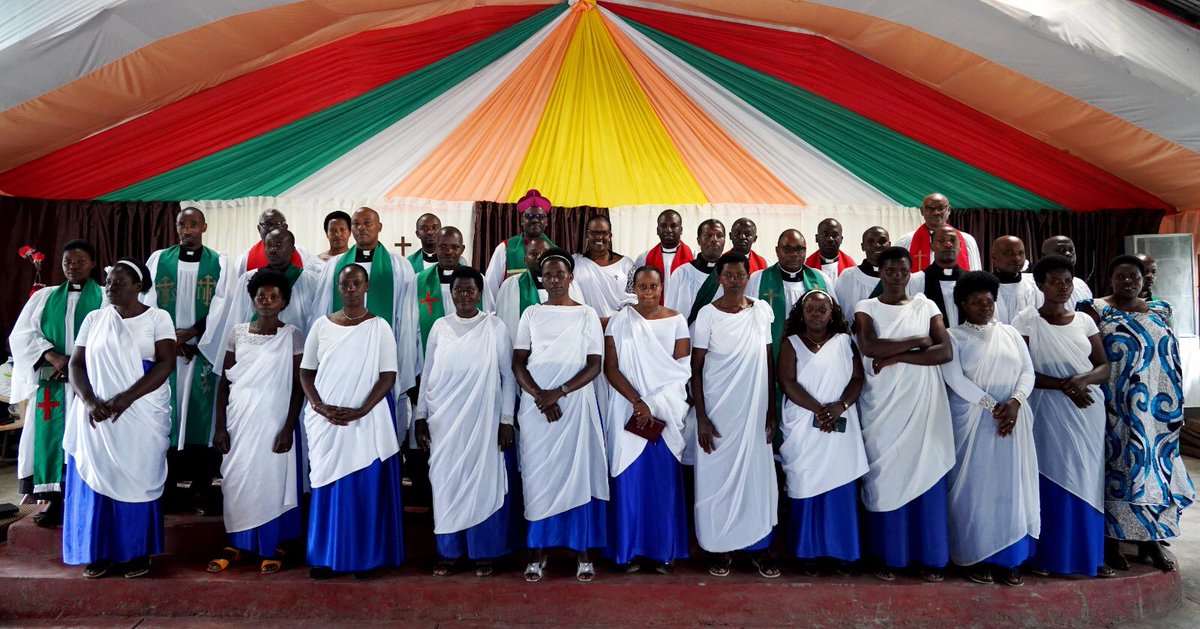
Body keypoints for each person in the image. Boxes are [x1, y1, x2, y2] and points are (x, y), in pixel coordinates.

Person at [1079, 255, 1194, 573]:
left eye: (1135, 276)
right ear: (1110, 278)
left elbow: (1171, 358)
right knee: (1116, 472)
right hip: (1116, 407)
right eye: (1121, 275)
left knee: (1154, 475)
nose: (1128, 281)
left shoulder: (1162, 310)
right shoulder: (1095, 309)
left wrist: (1176, 405)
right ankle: (1112, 542)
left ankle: (1151, 542)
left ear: (1145, 279)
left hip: (1159, 414)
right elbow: (1088, 357)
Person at [63, 259, 175, 579]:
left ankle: (135, 553)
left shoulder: (157, 318)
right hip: (97, 414)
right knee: (97, 478)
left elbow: (165, 363)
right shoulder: (94, 319)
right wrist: (88, 401)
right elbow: (76, 365)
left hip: (139, 412)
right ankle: (98, 552)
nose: (110, 287)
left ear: (139, 287)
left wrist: (126, 399)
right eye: (109, 281)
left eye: (119, 282)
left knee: (136, 479)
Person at [854, 246, 954, 582]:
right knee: (886, 477)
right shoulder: (865, 307)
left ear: (911, 272)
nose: (897, 277)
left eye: (902, 271)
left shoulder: (926, 304)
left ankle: (931, 557)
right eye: (890, 271)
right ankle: (887, 555)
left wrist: (898, 357)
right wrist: (918, 339)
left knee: (926, 472)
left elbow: (944, 351)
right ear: (879, 272)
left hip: (923, 404)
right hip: (882, 407)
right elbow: (870, 347)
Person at [300, 264, 405, 579]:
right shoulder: (321, 325)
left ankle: (365, 558)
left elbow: (388, 375)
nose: (351, 289)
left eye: (356, 283)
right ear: (337, 287)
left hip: (365, 420)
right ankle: (326, 557)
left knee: (363, 491)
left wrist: (362, 410)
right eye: (345, 284)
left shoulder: (379, 327)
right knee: (328, 489)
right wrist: (318, 405)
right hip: (326, 420)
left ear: (366, 286)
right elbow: (306, 371)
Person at [1013, 255, 1113, 578]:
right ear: (1040, 285)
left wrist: (1082, 380)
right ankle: (1048, 557)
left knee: (1085, 478)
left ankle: (1085, 556)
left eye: (1067, 281)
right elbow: (1023, 370)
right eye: (1054, 281)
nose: (1062, 287)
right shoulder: (1026, 320)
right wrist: (1065, 386)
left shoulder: (1085, 321)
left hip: (1086, 412)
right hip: (1046, 409)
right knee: (1049, 476)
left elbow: (1104, 367)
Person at [512, 249, 608, 583]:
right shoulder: (531, 315)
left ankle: (582, 553)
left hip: (574, 406)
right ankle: (538, 553)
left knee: (576, 474)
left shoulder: (587, 315)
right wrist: (541, 396)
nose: (554, 280)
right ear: (542, 278)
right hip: (537, 408)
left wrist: (560, 392)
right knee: (539, 478)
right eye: (548, 275)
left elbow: (595, 364)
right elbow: (518, 362)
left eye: (560, 274)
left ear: (571, 277)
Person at [415, 267, 518, 577]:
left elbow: (508, 376)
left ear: (479, 292)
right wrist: (420, 416)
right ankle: (448, 552)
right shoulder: (439, 327)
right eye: (458, 290)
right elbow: (428, 374)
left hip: (483, 420)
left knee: (482, 480)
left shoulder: (494, 326)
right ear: (451, 293)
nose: (463, 296)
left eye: (469, 290)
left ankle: (483, 551)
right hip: (443, 422)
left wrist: (507, 420)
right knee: (446, 483)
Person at [940, 271, 1039, 587]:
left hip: (1013, 420)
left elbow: (1027, 370)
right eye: (976, 301)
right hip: (974, 425)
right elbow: (954, 379)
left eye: (989, 300)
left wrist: (1015, 401)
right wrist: (991, 405)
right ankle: (977, 555)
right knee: (975, 490)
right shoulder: (953, 337)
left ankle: (1010, 559)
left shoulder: (1009, 332)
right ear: (963, 304)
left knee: (1010, 488)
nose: (985, 306)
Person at [208, 270, 304, 575]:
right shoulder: (238, 332)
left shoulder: (292, 335)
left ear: (284, 301)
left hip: (274, 422)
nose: (266, 301)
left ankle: (271, 545)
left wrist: (288, 428)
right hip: (240, 419)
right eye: (261, 295)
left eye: (274, 296)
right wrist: (220, 426)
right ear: (253, 298)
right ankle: (236, 543)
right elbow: (224, 382)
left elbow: (298, 385)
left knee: (271, 482)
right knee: (237, 481)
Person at [692, 253, 779, 579]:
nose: (734, 280)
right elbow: (696, 369)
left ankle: (759, 548)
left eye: (740, 275)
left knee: (756, 477)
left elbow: (767, 363)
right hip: (718, 411)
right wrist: (701, 417)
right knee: (717, 478)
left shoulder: (760, 311)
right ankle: (721, 549)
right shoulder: (708, 315)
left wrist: (771, 409)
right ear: (719, 278)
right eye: (728, 275)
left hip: (754, 411)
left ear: (747, 276)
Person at [602, 266, 691, 573]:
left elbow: (682, 369)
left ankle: (662, 551)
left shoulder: (677, 320)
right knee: (629, 480)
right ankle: (627, 551)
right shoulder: (620, 320)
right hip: (628, 407)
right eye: (642, 286)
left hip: (665, 410)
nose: (648, 292)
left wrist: (652, 403)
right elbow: (610, 368)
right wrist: (638, 402)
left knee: (661, 484)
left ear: (661, 287)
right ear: (634, 288)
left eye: (653, 286)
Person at [10, 240, 104, 527]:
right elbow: (22, 335)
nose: (72, 267)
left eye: (79, 261)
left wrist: (77, 363)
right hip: (52, 381)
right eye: (67, 262)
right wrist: (53, 357)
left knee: (88, 441)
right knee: (52, 440)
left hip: (88, 383)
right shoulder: (44, 297)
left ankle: (88, 499)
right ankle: (55, 502)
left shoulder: (104, 296)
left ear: (92, 264)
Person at [142, 208, 228, 513]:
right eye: (182, 225)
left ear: (204, 226)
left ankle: (203, 485)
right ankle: (167, 485)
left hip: (203, 352)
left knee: (201, 416)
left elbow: (222, 307)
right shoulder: (159, 260)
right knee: (168, 415)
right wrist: (170, 341)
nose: (187, 230)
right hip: (168, 354)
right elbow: (148, 303)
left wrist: (194, 334)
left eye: (193, 224)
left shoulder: (219, 263)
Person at [777, 290, 867, 574]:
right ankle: (808, 554)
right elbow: (787, 382)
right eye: (811, 310)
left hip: (840, 423)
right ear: (801, 313)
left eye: (822, 310)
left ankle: (842, 553)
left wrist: (840, 406)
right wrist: (819, 410)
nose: (816, 315)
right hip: (803, 424)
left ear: (832, 313)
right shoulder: (791, 343)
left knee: (840, 486)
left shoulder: (844, 342)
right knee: (805, 484)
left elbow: (857, 378)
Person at [313, 207, 418, 438]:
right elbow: (320, 310)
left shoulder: (399, 266)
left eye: (367, 223)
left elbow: (408, 320)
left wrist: (404, 357)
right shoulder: (335, 265)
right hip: (341, 363)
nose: (361, 228)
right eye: (357, 224)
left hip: (382, 360)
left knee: (379, 428)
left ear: (379, 227)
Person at [198, 229, 321, 378]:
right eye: (269, 245)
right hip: (253, 357)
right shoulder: (249, 278)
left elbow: (315, 322)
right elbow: (236, 319)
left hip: (291, 357)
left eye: (279, 244)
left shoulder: (311, 281)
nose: (273, 249)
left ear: (292, 250)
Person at [411, 227, 493, 365]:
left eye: (454, 247)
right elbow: (410, 326)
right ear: (435, 247)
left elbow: (488, 318)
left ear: (462, 249)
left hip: (472, 358)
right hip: (433, 357)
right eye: (443, 246)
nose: (448, 252)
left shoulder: (477, 279)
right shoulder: (419, 281)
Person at [494, 237, 585, 343]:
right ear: (525, 260)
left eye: (544, 253)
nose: (539, 257)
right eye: (533, 254)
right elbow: (505, 322)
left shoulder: (569, 283)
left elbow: (578, 318)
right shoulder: (511, 284)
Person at [484, 189, 555, 295]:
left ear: (546, 222)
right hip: (513, 308)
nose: (535, 220)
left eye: (540, 216)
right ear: (522, 220)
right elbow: (490, 288)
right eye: (529, 216)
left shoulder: (555, 251)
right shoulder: (505, 248)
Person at [572, 215, 635, 325]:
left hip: (620, 326)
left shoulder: (626, 264)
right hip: (586, 325)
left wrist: (612, 321)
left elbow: (635, 298)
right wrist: (596, 322)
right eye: (594, 233)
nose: (599, 237)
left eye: (604, 233)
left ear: (610, 236)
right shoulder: (575, 263)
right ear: (587, 235)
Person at [894, 193, 981, 271]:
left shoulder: (967, 240)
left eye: (941, 208)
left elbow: (975, 274)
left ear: (949, 210)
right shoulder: (905, 242)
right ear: (922, 211)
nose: (936, 212)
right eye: (930, 209)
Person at [664, 219, 726, 324]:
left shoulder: (729, 275)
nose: (714, 240)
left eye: (719, 235)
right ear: (698, 240)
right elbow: (669, 314)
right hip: (687, 338)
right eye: (708, 235)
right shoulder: (681, 273)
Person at [907, 225, 967, 327]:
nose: (948, 244)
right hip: (934, 342)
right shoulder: (916, 280)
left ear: (960, 245)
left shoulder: (972, 281)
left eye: (953, 240)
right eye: (941, 241)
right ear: (932, 246)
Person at [231, 209, 322, 276]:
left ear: (285, 227)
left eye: (277, 224)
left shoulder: (302, 253)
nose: (271, 229)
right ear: (259, 229)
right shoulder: (245, 257)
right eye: (267, 225)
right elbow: (237, 290)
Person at [833, 227, 890, 326]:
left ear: (889, 245)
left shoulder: (898, 277)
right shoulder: (848, 276)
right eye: (871, 242)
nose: (876, 245)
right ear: (863, 246)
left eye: (882, 241)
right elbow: (839, 312)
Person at [635, 209, 693, 303]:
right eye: (663, 226)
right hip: (653, 313)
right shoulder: (644, 258)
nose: (668, 230)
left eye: (673, 226)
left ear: (681, 230)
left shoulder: (694, 257)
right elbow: (637, 289)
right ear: (658, 230)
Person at [991, 236, 1038, 324]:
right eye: (1009, 253)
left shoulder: (1034, 285)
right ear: (994, 257)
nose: (1017, 258)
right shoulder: (983, 287)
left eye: (1021, 253)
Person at [1040, 236, 1092, 311]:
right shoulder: (1033, 286)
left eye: (1071, 250)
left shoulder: (1081, 285)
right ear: (1044, 256)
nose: (1068, 254)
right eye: (1060, 250)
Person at [806, 218, 855, 290]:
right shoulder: (806, 266)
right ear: (816, 238)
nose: (830, 239)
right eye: (825, 234)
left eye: (835, 235)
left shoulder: (853, 267)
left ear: (841, 239)